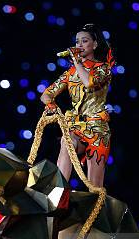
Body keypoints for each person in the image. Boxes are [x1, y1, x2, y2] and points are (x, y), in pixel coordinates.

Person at [40, 23, 116, 188]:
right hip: (76, 126)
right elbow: (46, 94)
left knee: (95, 187)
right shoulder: (70, 73)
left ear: (94, 45)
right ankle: (59, 191)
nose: (79, 45)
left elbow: (89, 82)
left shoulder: (103, 69)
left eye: (84, 41)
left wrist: (77, 62)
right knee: (67, 142)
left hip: (97, 130)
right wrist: (52, 105)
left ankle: (96, 208)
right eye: (77, 42)